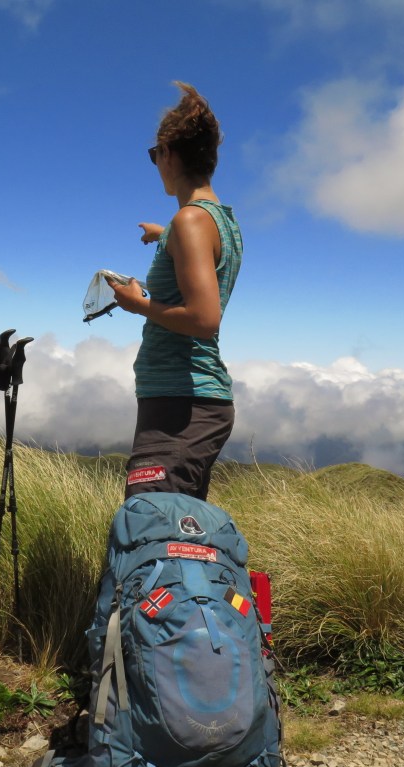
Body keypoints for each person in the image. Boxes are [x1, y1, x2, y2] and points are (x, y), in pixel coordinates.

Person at [108, 81, 242, 502]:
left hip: (181, 406)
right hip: (190, 403)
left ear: (168, 153)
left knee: (152, 525)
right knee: (177, 533)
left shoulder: (191, 222)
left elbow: (204, 319)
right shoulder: (218, 220)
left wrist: (139, 304)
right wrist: (165, 235)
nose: (155, 164)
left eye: (154, 155)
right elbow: (206, 260)